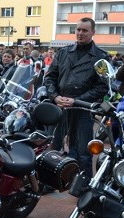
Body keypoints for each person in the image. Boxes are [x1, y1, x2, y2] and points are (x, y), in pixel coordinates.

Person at [44, 17, 108, 177]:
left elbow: (103, 86)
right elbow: (50, 77)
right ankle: (48, 181)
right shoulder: (63, 52)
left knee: (83, 150)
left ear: (93, 32)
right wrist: (55, 96)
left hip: (82, 109)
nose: (80, 33)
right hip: (59, 107)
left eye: (84, 30)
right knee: (52, 146)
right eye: (78, 29)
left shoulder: (101, 57)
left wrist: (77, 101)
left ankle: (83, 184)